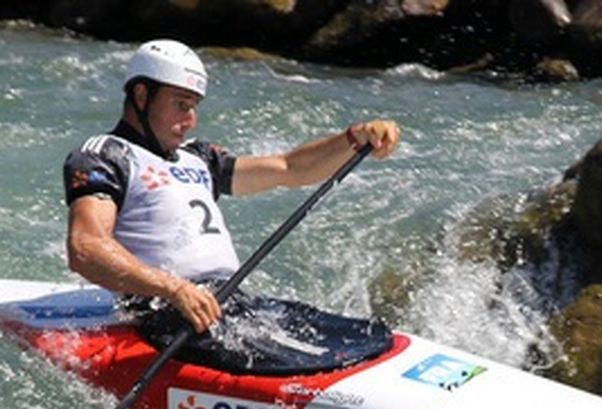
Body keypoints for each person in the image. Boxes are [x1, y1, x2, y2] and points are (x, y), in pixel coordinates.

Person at [62, 39, 400, 350]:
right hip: (170, 314)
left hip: (230, 304)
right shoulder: (106, 155)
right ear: (140, 96)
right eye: (181, 105)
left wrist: (354, 139)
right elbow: (86, 248)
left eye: (193, 106)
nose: (190, 120)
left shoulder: (199, 158)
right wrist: (175, 289)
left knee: (364, 338)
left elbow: (289, 168)